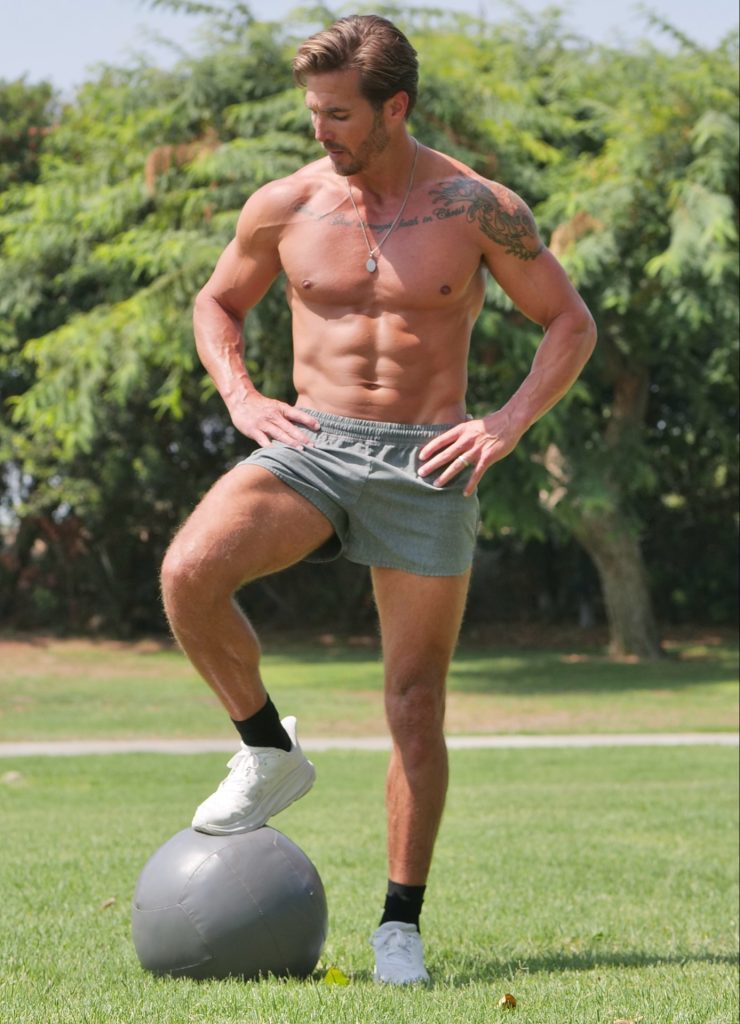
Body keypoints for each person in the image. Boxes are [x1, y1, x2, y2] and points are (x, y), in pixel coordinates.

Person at [160, 13, 596, 985]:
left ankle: (399, 924)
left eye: (338, 114)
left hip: (424, 462)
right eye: (313, 112)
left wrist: (505, 423)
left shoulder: (476, 207)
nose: (318, 130)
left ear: (394, 107)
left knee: (413, 701)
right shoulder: (285, 204)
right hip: (312, 445)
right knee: (189, 572)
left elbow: (568, 323)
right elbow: (215, 301)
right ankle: (268, 749)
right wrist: (240, 396)